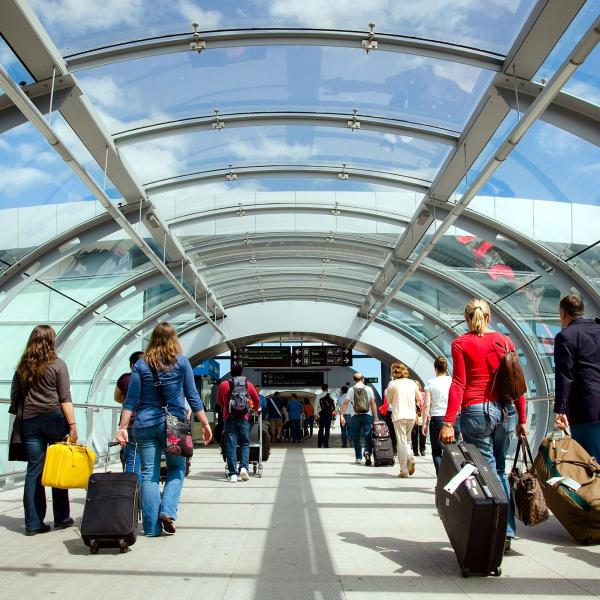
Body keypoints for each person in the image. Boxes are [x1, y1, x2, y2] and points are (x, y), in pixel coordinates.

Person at [439, 299, 527, 553]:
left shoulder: (461, 343)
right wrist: (522, 419)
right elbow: (517, 383)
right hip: (505, 411)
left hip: (476, 411)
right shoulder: (505, 342)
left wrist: (448, 422)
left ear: (467, 318)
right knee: (500, 470)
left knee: (486, 472)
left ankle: (498, 531)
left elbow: (459, 384)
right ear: (489, 316)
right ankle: (507, 531)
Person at [116, 322, 212, 536]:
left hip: (145, 424)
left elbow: (130, 400)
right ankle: (167, 511)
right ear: (174, 340)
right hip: (174, 425)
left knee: (149, 474)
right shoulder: (182, 363)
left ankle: (151, 529)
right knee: (177, 469)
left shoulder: (140, 366)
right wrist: (205, 423)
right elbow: (192, 395)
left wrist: (123, 427)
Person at [9, 325, 78, 536]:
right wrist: (73, 426)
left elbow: (15, 395)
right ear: (51, 341)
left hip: (29, 420)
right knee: (57, 466)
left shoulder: (23, 367)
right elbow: (64, 398)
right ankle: (62, 517)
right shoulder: (58, 364)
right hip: (54, 418)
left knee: (34, 471)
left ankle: (33, 523)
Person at [554, 295, 600, 459]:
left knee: (588, 459)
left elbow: (565, 375)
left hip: (585, 407)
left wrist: (561, 409)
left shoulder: (565, 336)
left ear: (564, 313)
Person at [217, 364, 260, 482]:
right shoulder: (247, 384)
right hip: (244, 418)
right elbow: (256, 399)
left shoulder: (223, 384)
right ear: (242, 373)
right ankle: (244, 469)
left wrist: (226, 408)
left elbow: (219, 401)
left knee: (230, 445)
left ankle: (233, 474)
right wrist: (255, 410)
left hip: (229, 418)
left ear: (231, 373)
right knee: (245, 443)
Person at [422, 356, 459, 474]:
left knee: (437, 452)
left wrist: (424, 423)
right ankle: (454, 480)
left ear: (435, 369)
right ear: (446, 368)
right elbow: (459, 402)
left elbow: (426, 405)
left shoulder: (431, 383)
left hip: (437, 418)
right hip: (453, 418)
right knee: (454, 451)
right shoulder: (453, 381)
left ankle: (441, 480)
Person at [385, 363, 420, 477]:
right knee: (408, 440)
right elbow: (419, 398)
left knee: (401, 442)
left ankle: (404, 470)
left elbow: (389, 400)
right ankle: (410, 455)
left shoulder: (393, 383)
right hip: (411, 415)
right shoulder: (412, 383)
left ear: (394, 372)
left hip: (399, 415)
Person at [114, 351, 144, 479]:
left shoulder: (125, 378)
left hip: (130, 423)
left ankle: (131, 494)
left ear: (132, 365)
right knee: (148, 464)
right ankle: (142, 495)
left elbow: (117, 398)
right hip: (150, 422)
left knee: (132, 462)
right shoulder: (153, 377)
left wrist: (128, 401)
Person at [341, 373, 378, 465]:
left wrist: (342, 415)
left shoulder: (351, 389)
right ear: (363, 379)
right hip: (367, 415)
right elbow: (372, 403)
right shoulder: (369, 389)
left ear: (354, 380)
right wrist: (376, 416)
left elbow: (345, 402)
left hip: (355, 416)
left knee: (356, 436)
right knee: (367, 434)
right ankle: (367, 452)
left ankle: (358, 457)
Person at [316, 384, 336, 448]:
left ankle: (319, 444)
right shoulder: (330, 395)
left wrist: (316, 414)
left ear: (321, 389)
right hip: (328, 414)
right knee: (327, 429)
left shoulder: (318, 396)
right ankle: (326, 444)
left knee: (321, 429)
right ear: (327, 388)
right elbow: (334, 404)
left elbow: (316, 406)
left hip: (321, 414)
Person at [411, 381, 427, 457]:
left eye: (417, 386)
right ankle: (415, 450)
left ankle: (423, 449)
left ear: (419, 387)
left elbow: (426, 404)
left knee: (422, 433)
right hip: (413, 415)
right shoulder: (410, 395)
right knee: (414, 433)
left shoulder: (423, 394)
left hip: (422, 415)